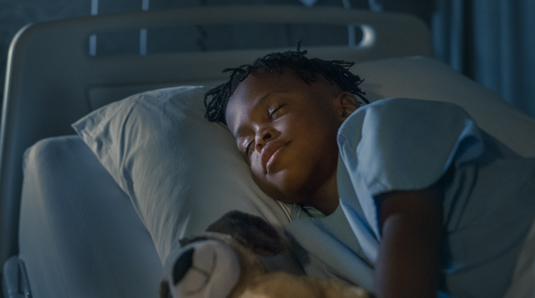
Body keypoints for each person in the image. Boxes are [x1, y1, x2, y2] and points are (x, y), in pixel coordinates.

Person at [204, 50, 535, 298]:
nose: (260, 137)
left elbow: (409, 227)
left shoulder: (377, 126)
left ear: (345, 107)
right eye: (246, 145)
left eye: (275, 111)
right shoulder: (308, 240)